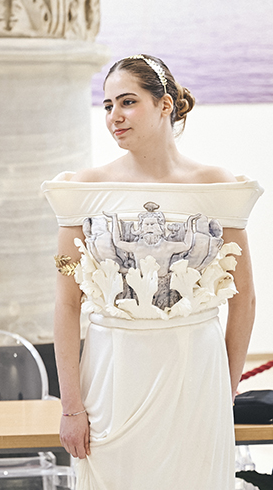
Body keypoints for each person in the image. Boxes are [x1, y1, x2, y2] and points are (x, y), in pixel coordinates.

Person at [42, 54, 263, 489]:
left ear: (165, 104)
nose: (114, 116)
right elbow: (66, 303)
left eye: (128, 102)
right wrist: (71, 407)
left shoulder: (216, 186)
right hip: (112, 376)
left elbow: (245, 297)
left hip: (195, 375)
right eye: (108, 105)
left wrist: (225, 388)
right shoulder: (82, 190)